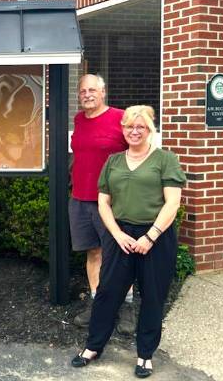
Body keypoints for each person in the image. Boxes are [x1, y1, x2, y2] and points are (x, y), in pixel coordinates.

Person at [71, 105, 186, 378]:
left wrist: (151, 236)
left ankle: (145, 354)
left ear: (149, 130)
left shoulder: (165, 159)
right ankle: (93, 346)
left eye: (141, 127)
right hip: (120, 235)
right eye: (129, 126)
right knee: (108, 292)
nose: (135, 131)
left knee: (153, 296)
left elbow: (173, 202)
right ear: (122, 129)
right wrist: (117, 234)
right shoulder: (113, 161)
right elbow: (103, 202)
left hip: (156, 237)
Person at [69, 74, 134, 332]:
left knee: (119, 255)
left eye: (92, 90)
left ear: (103, 92)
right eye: (83, 90)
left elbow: (139, 151)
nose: (87, 94)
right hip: (81, 199)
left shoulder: (121, 118)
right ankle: (98, 303)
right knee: (93, 253)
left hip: (112, 201)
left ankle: (127, 306)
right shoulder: (78, 120)